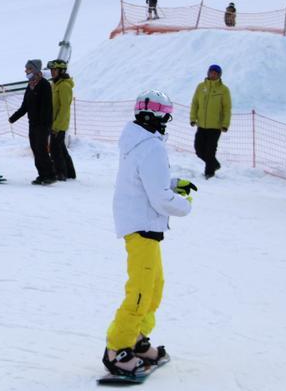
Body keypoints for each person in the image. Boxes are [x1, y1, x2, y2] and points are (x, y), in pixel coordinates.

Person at [103, 89, 194, 379]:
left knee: (154, 289)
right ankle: (117, 349)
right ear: (158, 117)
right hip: (142, 226)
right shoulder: (151, 146)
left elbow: (148, 180)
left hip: (144, 226)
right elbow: (160, 198)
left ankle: (137, 339)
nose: (166, 122)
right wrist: (185, 204)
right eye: (166, 116)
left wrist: (172, 183)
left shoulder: (138, 143)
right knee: (141, 292)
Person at [8, 59, 55, 185]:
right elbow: (25, 106)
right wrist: (13, 117)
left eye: (28, 68)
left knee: (41, 149)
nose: (26, 71)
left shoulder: (44, 85)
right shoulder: (30, 85)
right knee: (35, 149)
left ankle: (49, 175)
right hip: (33, 124)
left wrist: (45, 123)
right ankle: (42, 174)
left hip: (42, 124)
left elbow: (47, 107)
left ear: (34, 69)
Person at [190, 64, 232, 179]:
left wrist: (225, 124)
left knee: (210, 151)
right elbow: (195, 104)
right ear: (208, 73)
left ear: (219, 75)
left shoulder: (224, 90)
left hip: (215, 127)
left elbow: (227, 108)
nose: (213, 74)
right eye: (211, 72)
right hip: (201, 125)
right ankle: (215, 164)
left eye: (216, 73)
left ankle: (209, 173)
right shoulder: (200, 87)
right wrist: (193, 118)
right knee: (198, 150)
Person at [48, 59, 77, 181]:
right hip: (54, 122)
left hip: (59, 124)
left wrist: (56, 126)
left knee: (55, 149)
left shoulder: (64, 86)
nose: (53, 72)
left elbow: (64, 107)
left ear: (62, 71)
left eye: (55, 70)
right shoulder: (55, 84)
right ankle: (70, 172)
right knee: (60, 148)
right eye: (52, 70)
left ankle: (60, 173)